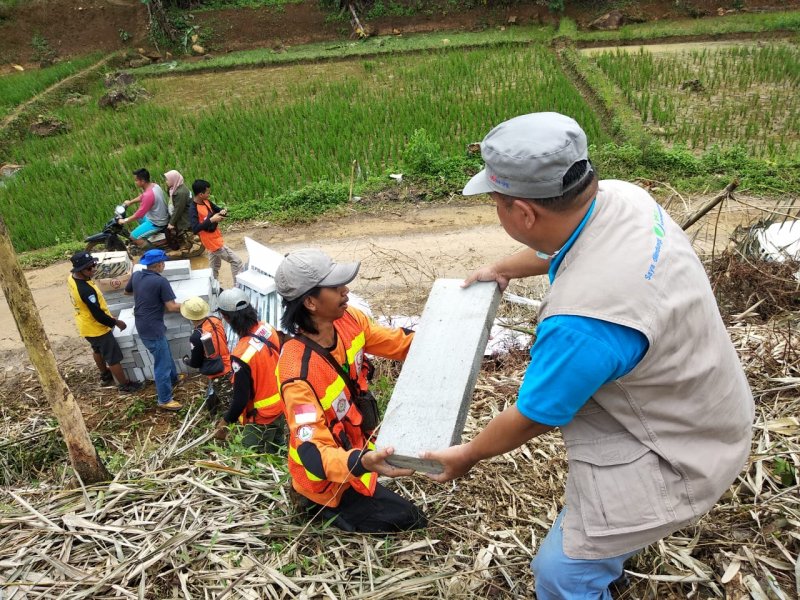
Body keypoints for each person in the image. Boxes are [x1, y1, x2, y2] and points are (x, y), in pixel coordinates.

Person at [421, 113, 754, 599]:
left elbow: (534, 414)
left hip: (679, 453)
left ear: (523, 213)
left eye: (496, 202)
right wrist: (501, 266)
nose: (496, 211)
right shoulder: (622, 198)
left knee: (562, 574)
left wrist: (468, 455)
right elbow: (568, 246)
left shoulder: (582, 321)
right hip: (709, 402)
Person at [275, 248, 427, 533]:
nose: (345, 290)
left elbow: (396, 342)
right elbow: (313, 453)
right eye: (335, 287)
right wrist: (364, 462)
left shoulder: (349, 320)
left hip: (356, 453)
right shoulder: (297, 373)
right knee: (411, 520)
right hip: (327, 479)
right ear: (309, 302)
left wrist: (443, 339)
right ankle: (315, 505)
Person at [214, 288, 284, 450]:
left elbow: (241, 398)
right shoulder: (267, 329)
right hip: (281, 403)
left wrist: (224, 423)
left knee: (250, 454)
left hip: (262, 415)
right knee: (277, 444)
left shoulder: (241, 355)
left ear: (225, 317)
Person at [67, 251, 144, 394]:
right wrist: (116, 322)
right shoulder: (86, 290)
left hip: (84, 325)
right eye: (89, 268)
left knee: (97, 350)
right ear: (80, 270)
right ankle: (124, 385)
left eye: (94, 265)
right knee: (113, 357)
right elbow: (98, 316)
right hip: (97, 328)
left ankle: (105, 374)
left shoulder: (72, 278)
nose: (94, 270)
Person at [124, 249, 183, 411]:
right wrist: (190, 306)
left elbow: (127, 291)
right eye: (163, 263)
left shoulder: (137, 276)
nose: (164, 265)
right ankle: (164, 399)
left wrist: (145, 295)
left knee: (165, 353)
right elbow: (171, 307)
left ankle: (174, 379)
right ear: (158, 265)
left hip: (143, 323)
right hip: (153, 328)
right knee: (161, 364)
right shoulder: (160, 281)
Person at [180, 296, 232, 415]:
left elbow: (197, 362)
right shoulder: (215, 320)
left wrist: (187, 361)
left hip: (218, 371)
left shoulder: (196, 336)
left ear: (188, 316)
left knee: (229, 402)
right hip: (229, 361)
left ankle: (226, 420)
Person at [189, 179, 243, 284]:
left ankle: (213, 288)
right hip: (212, 242)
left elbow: (217, 209)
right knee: (236, 261)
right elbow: (195, 229)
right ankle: (239, 288)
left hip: (215, 238)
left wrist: (223, 212)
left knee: (214, 268)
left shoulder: (206, 201)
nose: (209, 194)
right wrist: (212, 220)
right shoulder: (193, 209)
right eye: (208, 192)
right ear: (201, 194)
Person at [119, 168, 170, 248]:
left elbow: (138, 214)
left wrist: (124, 220)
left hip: (157, 223)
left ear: (142, 181)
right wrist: (130, 202)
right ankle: (150, 236)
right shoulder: (154, 186)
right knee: (141, 218)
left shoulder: (148, 195)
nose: (135, 182)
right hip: (160, 216)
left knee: (133, 236)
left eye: (136, 180)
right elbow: (142, 196)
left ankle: (153, 251)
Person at [164, 169, 192, 248]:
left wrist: (171, 223)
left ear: (174, 180)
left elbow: (178, 209)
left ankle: (175, 247)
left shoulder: (180, 193)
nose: (166, 181)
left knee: (167, 231)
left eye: (168, 180)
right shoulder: (176, 188)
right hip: (183, 213)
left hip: (184, 217)